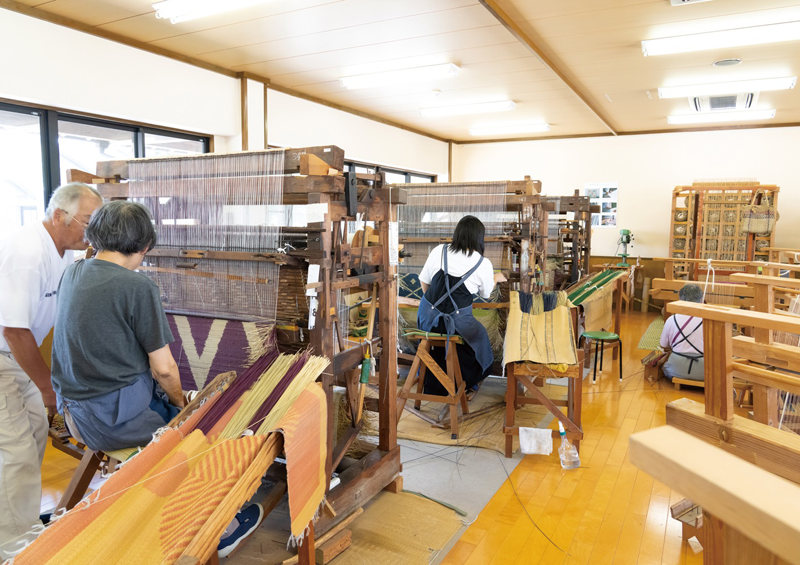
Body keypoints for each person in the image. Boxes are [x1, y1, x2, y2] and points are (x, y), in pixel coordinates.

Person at [50, 200, 262, 558]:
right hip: (111, 421)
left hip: (73, 413)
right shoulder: (137, 287)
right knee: (195, 432)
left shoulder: (73, 273)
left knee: (176, 408)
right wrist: (182, 403)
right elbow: (164, 369)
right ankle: (223, 530)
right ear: (145, 246)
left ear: (94, 235)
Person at [0, 182, 102, 559]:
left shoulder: (65, 253)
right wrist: (48, 387)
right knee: (16, 452)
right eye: (88, 222)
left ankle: (21, 526)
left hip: (17, 358)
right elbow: (13, 329)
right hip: (5, 354)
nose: (91, 232)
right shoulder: (28, 252)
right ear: (59, 215)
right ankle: (14, 549)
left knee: (33, 438)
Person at [417, 215, 505, 397]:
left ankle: (433, 382)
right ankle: (464, 383)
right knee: (479, 337)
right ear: (479, 238)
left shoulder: (439, 251)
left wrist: (432, 307)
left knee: (439, 339)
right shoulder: (482, 263)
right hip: (458, 323)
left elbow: (424, 282)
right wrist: (496, 278)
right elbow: (486, 294)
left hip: (428, 319)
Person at [660, 283, 705, 382]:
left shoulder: (672, 319)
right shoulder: (708, 321)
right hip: (703, 371)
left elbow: (663, 345)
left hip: (676, 369)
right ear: (701, 300)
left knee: (665, 367)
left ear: (680, 300)